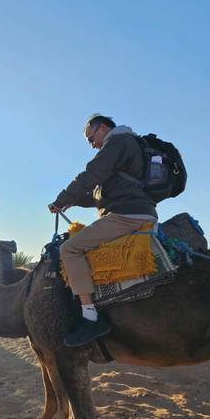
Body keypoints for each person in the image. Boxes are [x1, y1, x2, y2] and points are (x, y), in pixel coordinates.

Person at [49, 114, 158, 347]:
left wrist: (62, 197)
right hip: (136, 210)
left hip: (127, 215)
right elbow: (102, 194)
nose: (92, 144)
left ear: (104, 127)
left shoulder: (118, 142)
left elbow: (92, 174)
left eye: (91, 137)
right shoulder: (128, 145)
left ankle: (90, 317)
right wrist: (74, 201)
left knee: (70, 249)